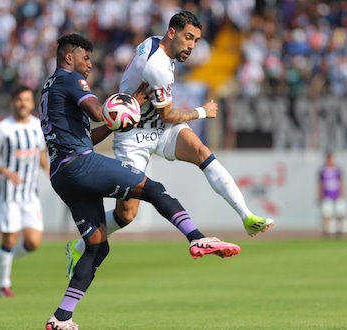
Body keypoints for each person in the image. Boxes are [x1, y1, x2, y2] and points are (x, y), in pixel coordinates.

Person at [41, 33, 241, 330]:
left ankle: (61, 317)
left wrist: (120, 117)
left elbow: (89, 134)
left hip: (62, 174)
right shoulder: (69, 80)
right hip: (80, 165)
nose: (89, 66)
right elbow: (100, 112)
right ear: (69, 57)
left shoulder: (48, 88)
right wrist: (128, 103)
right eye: (85, 59)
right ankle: (196, 237)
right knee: (152, 188)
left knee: (97, 246)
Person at [65, 10, 273, 279]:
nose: (192, 46)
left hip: (160, 128)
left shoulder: (155, 43)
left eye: (196, 40)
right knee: (127, 215)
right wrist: (202, 111)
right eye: (188, 38)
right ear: (172, 33)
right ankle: (79, 245)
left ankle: (247, 216)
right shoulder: (158, 67)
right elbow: (169, 114)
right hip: (133, 136)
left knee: (201, 152)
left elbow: (162, 114)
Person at [0, 84, 49, 298]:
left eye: (27, 100)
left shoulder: (37, 126)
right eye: (20, 100)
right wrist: (4, 171)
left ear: (32, 103)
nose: (23, 104)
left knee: (33, 242)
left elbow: (41, 153)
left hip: (30, 195)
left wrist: (50, 170)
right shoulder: (2, 128)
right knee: (9, 239)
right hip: (9, 195)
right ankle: (4, 285)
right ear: (13, 102)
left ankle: (6, 259)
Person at [317, 152, 346, 238]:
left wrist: (342, 192)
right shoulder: (323, 170)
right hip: (327, 195)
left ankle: (339, 230)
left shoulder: (337, 169)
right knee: (327, 214)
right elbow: (320, 183)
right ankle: (327, 231)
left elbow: (341, 181)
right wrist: (320, 194)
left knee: (340, 213)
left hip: (337, 194)